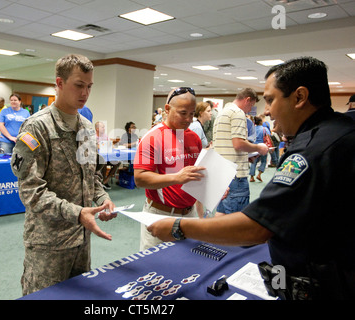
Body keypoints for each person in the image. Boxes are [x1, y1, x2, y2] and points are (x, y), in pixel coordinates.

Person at [148, 57, 355, 300]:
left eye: (270, 100)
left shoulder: (314, 150)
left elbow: (256, 227)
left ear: (299, 97)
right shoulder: (341, 130)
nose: (266, 110)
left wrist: (178, 227)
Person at [10, 54, 116, 296]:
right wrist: (77, 213)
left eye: (89, 86)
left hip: (81, 238)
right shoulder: (36, 127)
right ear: (59, 83)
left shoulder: (87, 128)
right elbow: (31, 192)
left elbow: (92, 175)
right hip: (49, 241)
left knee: (79, 295)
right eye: (79, 85)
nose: (85, 93)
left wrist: (101, 198)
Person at [133, 87, 205, 251]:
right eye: (183, 113)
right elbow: (140, 178)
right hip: (160, 214)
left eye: (192, 114)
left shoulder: (194, 138)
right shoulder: (152, 137)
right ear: (167, 109)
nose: (188, 119)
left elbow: (195, 175)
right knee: (154, 268)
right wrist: (176, 178)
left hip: (189, 214)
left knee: (187, 266)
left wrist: (213, 188)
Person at [212, 88, 268, 214]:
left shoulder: (223, 112)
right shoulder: (238, 113)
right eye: (251, 105)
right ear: (247, 100)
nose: (250, 110)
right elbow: (238, 144)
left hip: (223, 171)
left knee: (222, 213)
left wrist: (246, 156)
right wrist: (259, 148)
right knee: (235, 218)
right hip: (235, 174)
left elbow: (228, 145)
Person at [95, 121, 120, 190]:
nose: (104, 128)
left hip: (107, 157)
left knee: (117, 162)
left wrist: (112, 146)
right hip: (99, 159)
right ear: (97, 129)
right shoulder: (94, 136)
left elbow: (110, 144)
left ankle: (106, 180)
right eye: (102, 127)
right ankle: (103, 181)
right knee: (104, 162)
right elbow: (97, 146)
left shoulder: (105, 135)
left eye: (104, 127)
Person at [249, 116, 268, 182]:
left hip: (254, 146)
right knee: (263, 161)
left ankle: (251, 177)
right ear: (260, 122)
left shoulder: (253, 128)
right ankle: (259, 174)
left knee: (253, 161)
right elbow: (268, 136)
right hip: (262, 146)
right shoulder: (264, 128)